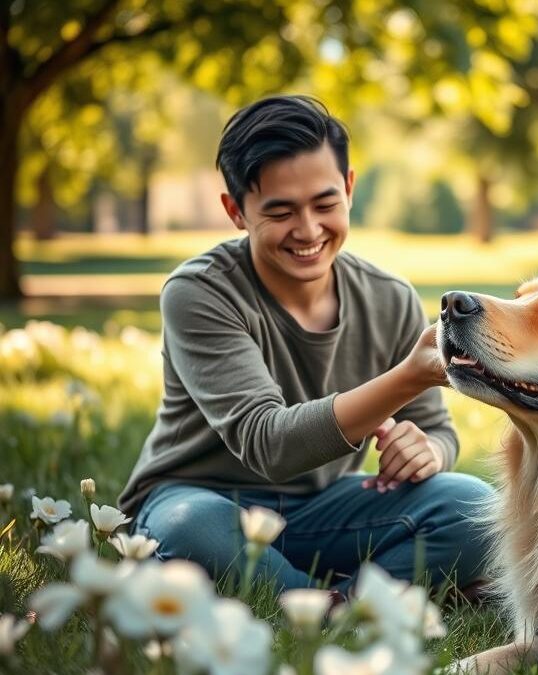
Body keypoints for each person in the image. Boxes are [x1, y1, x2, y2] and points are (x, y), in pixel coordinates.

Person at [117, 95, 493, 595]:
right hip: (205, 501)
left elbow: (435, 428)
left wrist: (430, 451)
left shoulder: (389, 297)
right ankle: (342, 603)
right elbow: (268, 443)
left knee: (474, 508)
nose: (309, 229)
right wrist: (407, 377)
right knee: (191, 530)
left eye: (325, 204)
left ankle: (308, 597)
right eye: (280, 211)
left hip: (321, 509)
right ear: (236, 211)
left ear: (349, 188)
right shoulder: (199, 292)